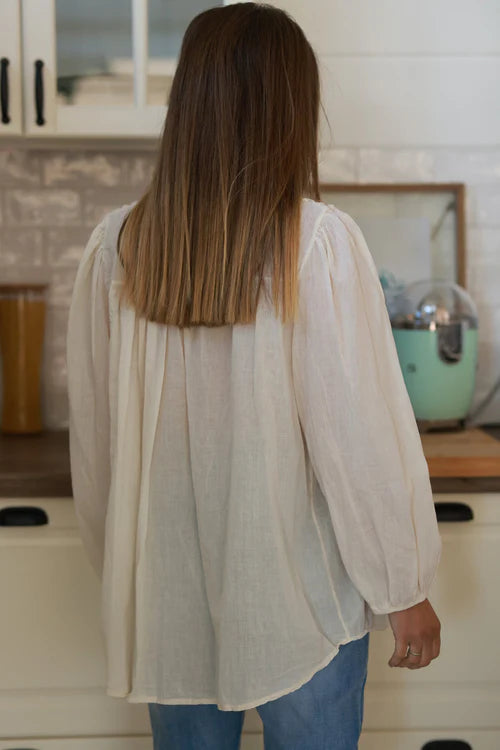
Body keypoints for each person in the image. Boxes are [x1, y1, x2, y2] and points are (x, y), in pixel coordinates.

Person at [66, 3, 442, 749]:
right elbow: (356, 439)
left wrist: (133, 567)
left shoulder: (120, 245)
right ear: (287, 108)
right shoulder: (317, 243)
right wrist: (405, 587)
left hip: (165, 601)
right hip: (299, 601)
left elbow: (100, 439)